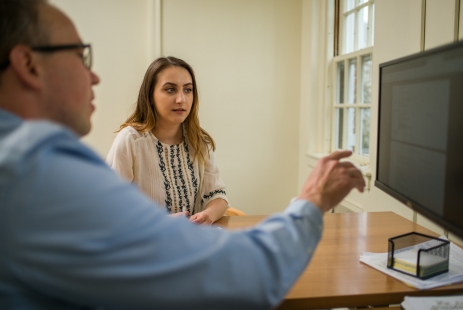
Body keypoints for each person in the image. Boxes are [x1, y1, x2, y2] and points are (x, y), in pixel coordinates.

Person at [0, 0, 365, 309]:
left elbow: (207, 201)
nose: (93, 77)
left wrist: (177, 226)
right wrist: (312, 201)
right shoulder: (36, 166)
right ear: (28, 65)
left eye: (188, 90)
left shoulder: (198, 142)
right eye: (81, 57)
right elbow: (244, 275)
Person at [106, 57, 228, 225]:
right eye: (170, 90)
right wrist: (159, 222)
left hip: (191, 244)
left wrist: (209, 214)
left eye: (187, 90)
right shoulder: (130, 140)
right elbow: (110, 209)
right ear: (150, 96)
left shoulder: (199, 142)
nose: (181, 99)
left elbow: (217, 196)